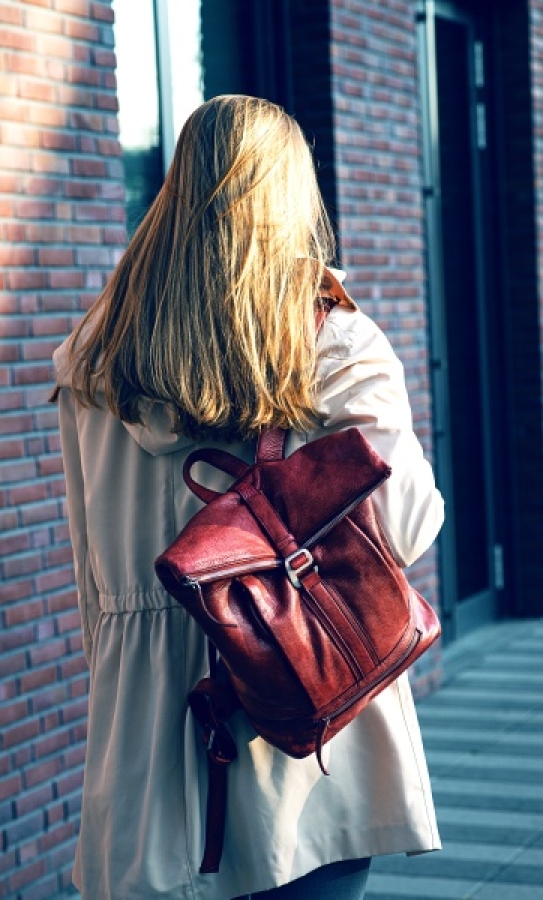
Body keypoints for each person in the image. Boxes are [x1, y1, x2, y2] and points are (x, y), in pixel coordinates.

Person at [53, 95, 444, 900]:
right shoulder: (328, 339)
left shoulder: (93, 358)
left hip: (145, 731)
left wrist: (129, 695)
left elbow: (92, 572)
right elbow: (403, 529)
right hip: (300, 715)